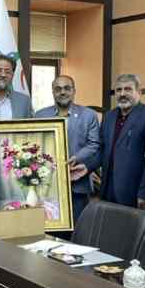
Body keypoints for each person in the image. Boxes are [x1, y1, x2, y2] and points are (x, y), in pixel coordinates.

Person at [35, 75, 100, 222]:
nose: (62, 92)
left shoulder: (89, 115)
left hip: (78, 184)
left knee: (79, 228)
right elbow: (35, 144)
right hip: (48, 185)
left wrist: (76, 158)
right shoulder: (40, 115)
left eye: (67, 88)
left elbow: (94, 144)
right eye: (58, 89)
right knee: (49, 227)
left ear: (74, 91)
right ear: (53, 92)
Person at [99, 74, 145, 210]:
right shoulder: (109, 116)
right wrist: (86, 166)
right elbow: (101, 150)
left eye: (128, 89)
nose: (122, 94)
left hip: (133, 192)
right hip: (107, 189)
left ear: (139, 92)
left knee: (131, 224)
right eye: (118, 90)